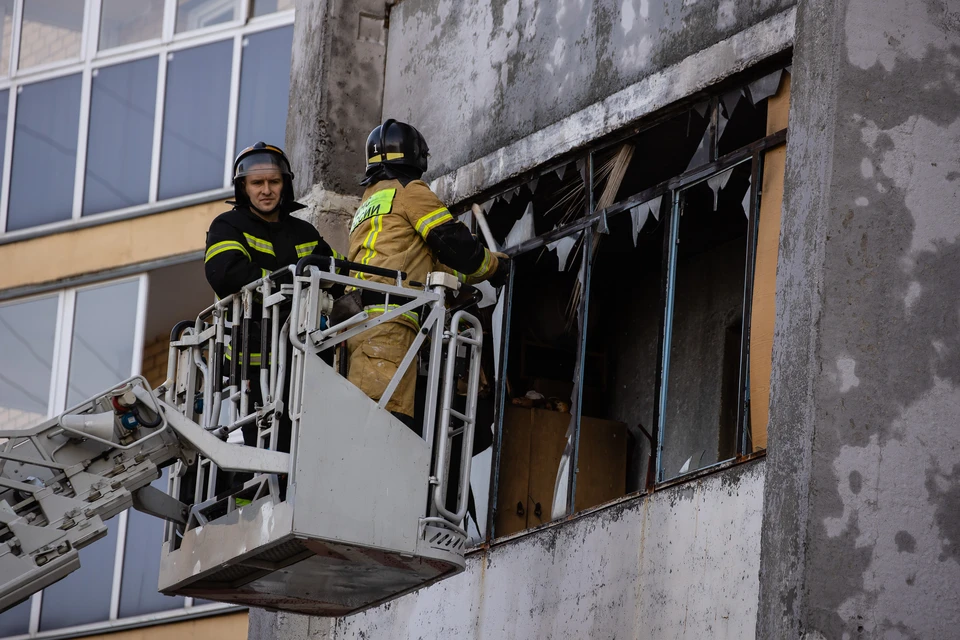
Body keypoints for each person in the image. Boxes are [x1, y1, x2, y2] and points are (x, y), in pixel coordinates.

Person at [346, 120, 510, 432]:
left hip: (363, 327)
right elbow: (454, 243)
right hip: (390, 328)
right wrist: (494, 267)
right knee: (386, 428)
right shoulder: (410, 191)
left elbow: (430, 264)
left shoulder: (368, 204)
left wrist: (469, 278)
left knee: (369, 425)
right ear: (418, 157)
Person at [204, 142, 340, 450]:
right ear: (244, 188)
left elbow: (336, 275)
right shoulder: (228, 225)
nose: (266, 190)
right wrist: (291, 286)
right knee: (264, 447)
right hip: (252, 360)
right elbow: (225, 273)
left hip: (302, 356)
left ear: (284, 185)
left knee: (304, 445)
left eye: (273, 182)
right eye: (257, 183)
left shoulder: (304, 232)